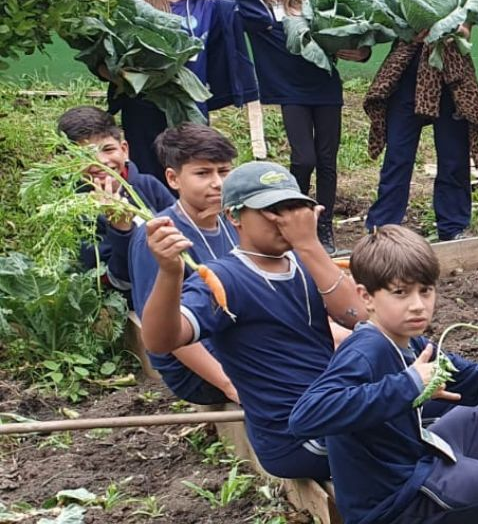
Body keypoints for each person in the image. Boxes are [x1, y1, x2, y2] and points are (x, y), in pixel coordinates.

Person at [290, 226, 478, 524]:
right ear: (366, 297)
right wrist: (410, 384)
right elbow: (305, 416)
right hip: (398, 504)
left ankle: (476, 505)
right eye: (400, 293)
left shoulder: (411, 342)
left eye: (425, 290)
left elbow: (477, 384)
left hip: (415, 466)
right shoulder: (366, 351)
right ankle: (467, 501)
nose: (418, 305)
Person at [139, 161, 363, 480]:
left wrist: (311, 247)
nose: (284, 220)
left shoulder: (303, 259)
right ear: (233, 216)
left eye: (293, 207)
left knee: (445, 407)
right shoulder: (224, 279)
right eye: (271, 210)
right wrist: (169, 272)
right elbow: (161, 341)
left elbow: (358, 317)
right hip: (295, 438)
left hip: (330, 408)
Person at [220, 0, 367, 253]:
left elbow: (351, 43)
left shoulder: (307, 2)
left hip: (324, 86)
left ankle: (324, 230)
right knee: (304, 158)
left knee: (327, 161)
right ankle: (295, 219)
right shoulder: (246, 2)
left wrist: (357, 51)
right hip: (287, 91)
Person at [365, 0, 478, 241]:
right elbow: (394, 15)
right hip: (410, 70)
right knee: (399, 154)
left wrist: (440, 27)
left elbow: (464, 29)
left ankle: (453, 227)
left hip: (451, 74)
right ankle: (384, 228)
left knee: (453, 156)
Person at [115, 0, 258, 181]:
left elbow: (257, 18)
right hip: (143, 108)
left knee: (192, 180)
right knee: (147, 181)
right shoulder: (135, 2)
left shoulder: (211, 4)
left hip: (190, 111)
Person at [126, 124, 240, 406]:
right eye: (203, 173)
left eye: (224, 171)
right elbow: (171, 334)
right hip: (198, 370)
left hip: (237, 339)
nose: (218, 183)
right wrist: (230, 384)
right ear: (173, 179)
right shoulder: (161, 238)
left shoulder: (232, 220)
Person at [56, 106, 174, 295]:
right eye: (85, 156)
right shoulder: (77, 212)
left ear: (124, 149)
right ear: (68, 162)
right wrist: (121, 229)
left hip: (180, 286)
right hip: (137, 301)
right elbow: (117, 282)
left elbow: (185, 232)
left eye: (108, 149)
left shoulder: (149, 186)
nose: (100, 161)